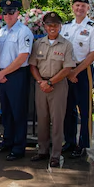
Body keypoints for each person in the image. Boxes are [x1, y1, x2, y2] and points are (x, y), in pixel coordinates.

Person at [29, 12, 76, 167]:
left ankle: (56, 154)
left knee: (57, 120)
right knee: (42, 119)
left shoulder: (66, 45)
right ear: (44, 26)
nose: (52, 28)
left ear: (60, 26)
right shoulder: (38, 44)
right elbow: (33, 65)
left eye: (55, 25)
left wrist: (49, 82)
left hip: (58, 85)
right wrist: (40, 81)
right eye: (49, 25)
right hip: (41, 84)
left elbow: (67, 68)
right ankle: (42, 150)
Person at [60, 0, 94, 157]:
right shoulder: (65, 27)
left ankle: (83, 143)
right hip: (66, 70)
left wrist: (75, 72)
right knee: (67, 109)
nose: (80, 8)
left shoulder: (93, 27)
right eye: (77, 5)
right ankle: (69, 141)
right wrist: (67, 71)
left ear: (88, 9)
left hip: (82, 71)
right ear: (72, 7)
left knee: (84, 109)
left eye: (83, 6)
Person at [0, 0, 33, 161]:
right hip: (2, 74)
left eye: (11, 12)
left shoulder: (24, 32)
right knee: (6, 112)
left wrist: (3, 73)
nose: (8, 15)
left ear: (18, 14)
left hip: (17, 75)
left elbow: (23, 56)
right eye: (5, 12)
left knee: (18, 112)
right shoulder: (2, 31)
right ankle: (7, 141)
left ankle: (18, 147)